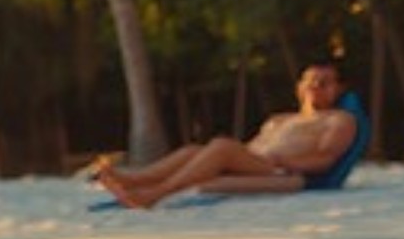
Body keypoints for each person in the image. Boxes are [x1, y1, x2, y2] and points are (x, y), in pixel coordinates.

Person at [93, 63, 361, 209]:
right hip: (258, 162)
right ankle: (133, 180)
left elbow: (325, 159)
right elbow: (250, 149)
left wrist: (283, 160)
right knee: (193, 152)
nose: (315, 86)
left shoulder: (340, 120)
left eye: (324, 82)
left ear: (337, 89)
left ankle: (155, 194)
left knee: (221, 146)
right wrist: (236, 157)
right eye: (310, 80)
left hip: (286, 171)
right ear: (299, 87)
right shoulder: (280, 119)